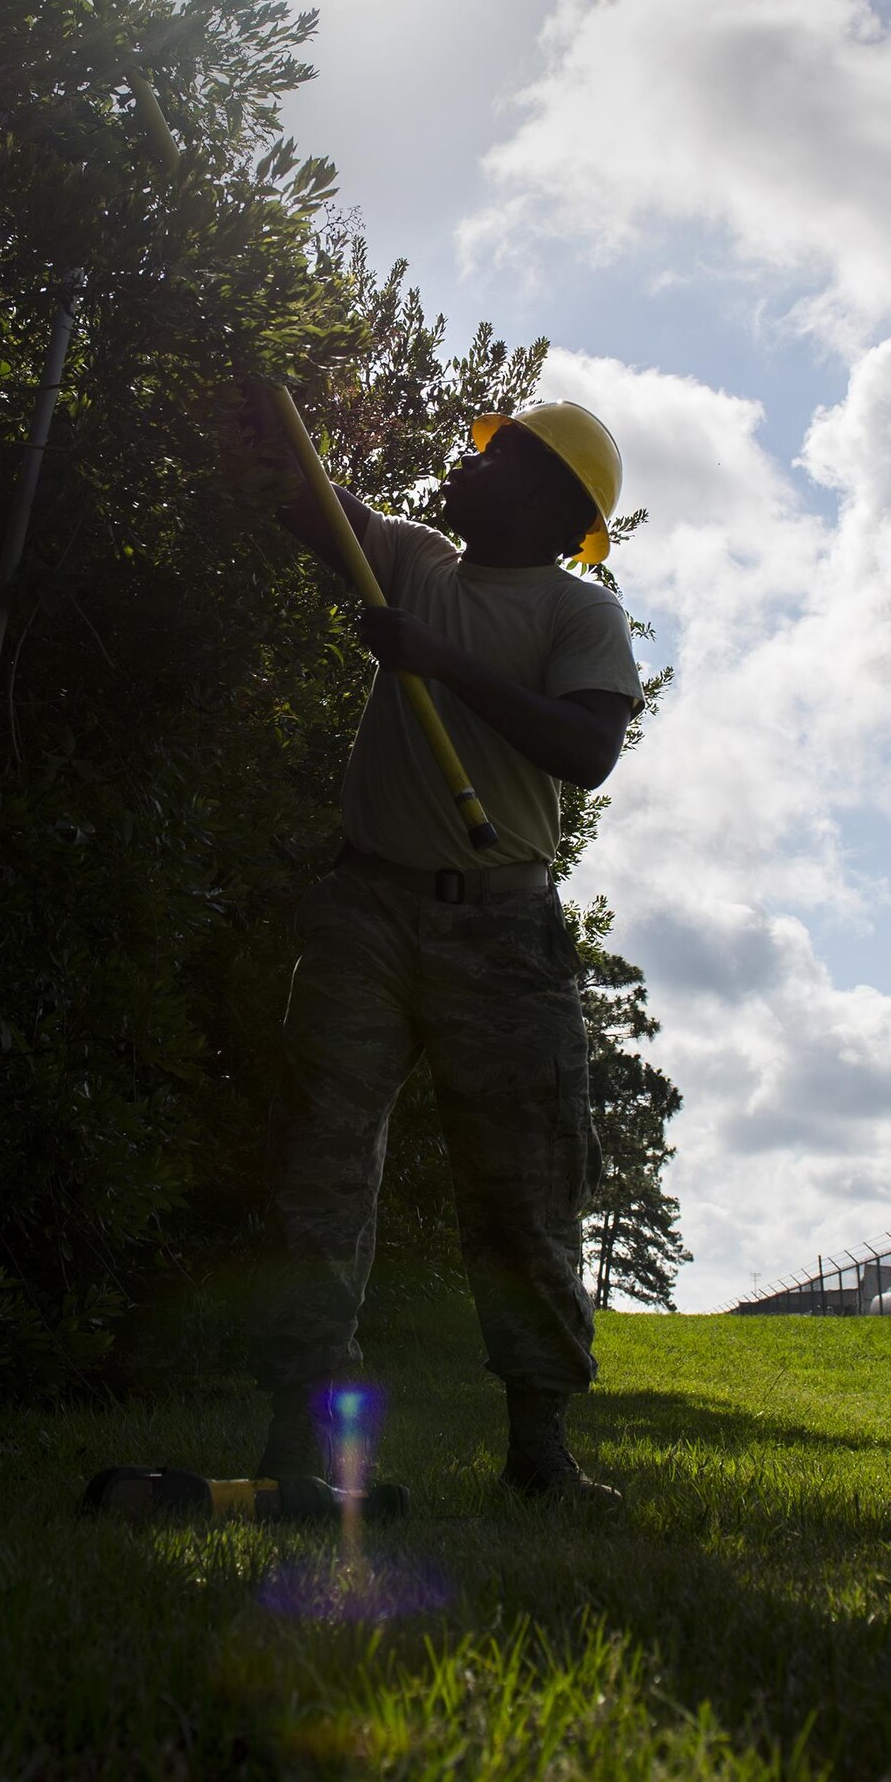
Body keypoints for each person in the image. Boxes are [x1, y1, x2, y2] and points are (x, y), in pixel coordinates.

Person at [248, 397, 645, 1502]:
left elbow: (586, 749)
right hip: (364, 907)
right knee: (318, 1165)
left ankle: (540, 1452)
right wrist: (257, 394)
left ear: (551, 501)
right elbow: (302, 501)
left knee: (525, 1186)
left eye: (495, 455)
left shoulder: (582, 616)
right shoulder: (411, 558)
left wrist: (438, 660)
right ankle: (302, 1437)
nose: (467, 464)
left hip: (504, 926)